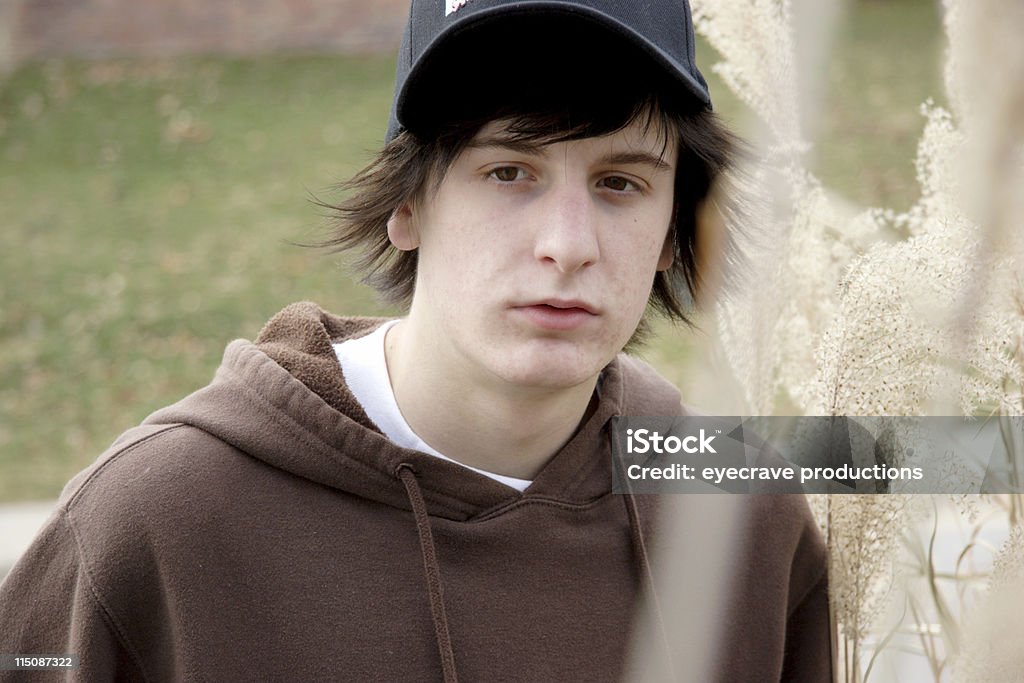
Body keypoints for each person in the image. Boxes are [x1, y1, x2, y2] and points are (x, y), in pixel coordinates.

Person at [0, 1, 831, 681]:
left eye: (620, 183)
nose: (568, 243)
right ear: (407, 207)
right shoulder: (154, 521)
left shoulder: (741, 515)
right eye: (509, 171)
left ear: (673, 231)